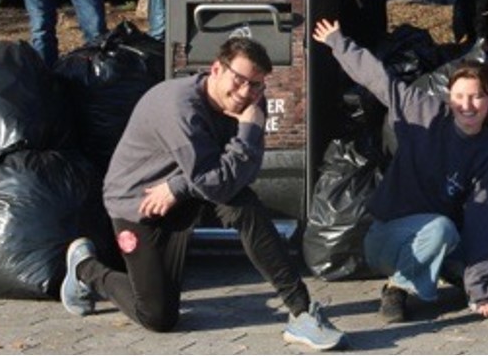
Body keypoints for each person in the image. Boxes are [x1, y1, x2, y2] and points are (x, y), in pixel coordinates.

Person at [58, 37, 344, 351]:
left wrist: (179, 187)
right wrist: (244, 137)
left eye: (256, 85)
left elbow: (244, 173)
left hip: (186, 192)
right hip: (141, 204)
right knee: (157, 316)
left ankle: (302, 312)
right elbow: (215, 181)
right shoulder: (180, 108)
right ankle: (86, 269)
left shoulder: (252, 103)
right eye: (239, 80)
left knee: (246, 208)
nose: (246, 92)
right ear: (216, 69)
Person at [312, 19, 488, 321]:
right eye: (459, 96)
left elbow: (485, 220)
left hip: (440, 238)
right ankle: (397, 287)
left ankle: (437, 271)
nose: (467, 105)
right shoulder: (424, 111)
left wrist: (480, 290)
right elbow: (378, 79)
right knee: (441, 228)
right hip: (387, 237)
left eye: (476, 96)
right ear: (449, 97)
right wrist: (338, 42)